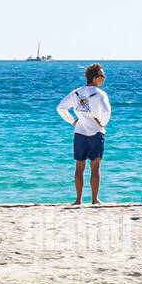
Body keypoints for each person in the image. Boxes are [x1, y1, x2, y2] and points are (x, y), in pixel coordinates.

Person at [56, 64, 112, 205]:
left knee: (79, 167)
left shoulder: (76, 93)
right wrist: (102, 124)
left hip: (80, 131)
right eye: (102, 76)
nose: (104, 78)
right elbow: (106, 112)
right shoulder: (100, 94)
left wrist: (73, 121)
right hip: (96, 132)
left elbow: (61, 108)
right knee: (95, 167)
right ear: (94, 78)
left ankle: (78, 199)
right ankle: (94, 199)